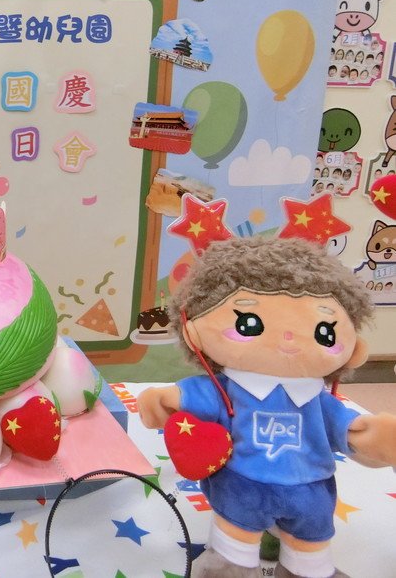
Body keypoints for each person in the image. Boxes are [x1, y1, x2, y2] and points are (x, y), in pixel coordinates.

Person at [136, 236, 396, 578]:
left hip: (311, 494)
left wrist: (374, 437)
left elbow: (350, 429)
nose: (288, 339)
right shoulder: (226, 389)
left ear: (354, 349)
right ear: (193, 331)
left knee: (310, 556)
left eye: (324, 332)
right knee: (233, 554)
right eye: (248, 323)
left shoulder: (318, 399)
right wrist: (162, 401)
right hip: (242, 488)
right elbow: (184, 400)